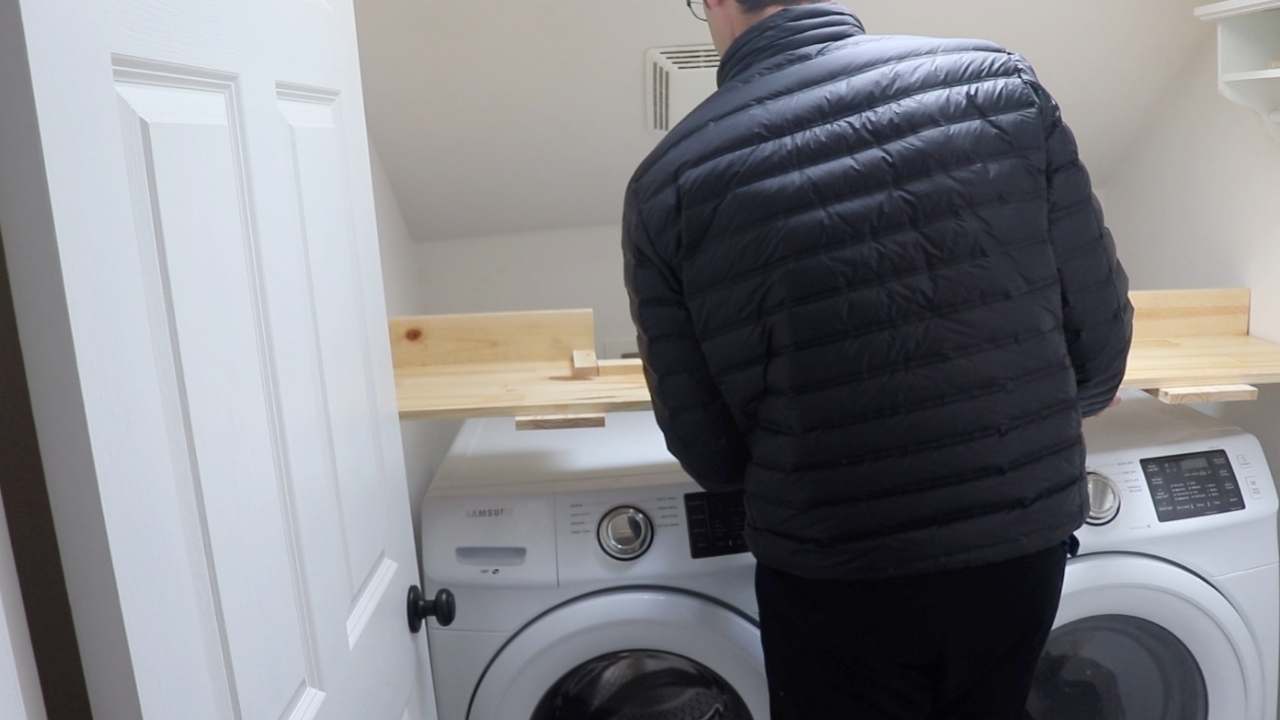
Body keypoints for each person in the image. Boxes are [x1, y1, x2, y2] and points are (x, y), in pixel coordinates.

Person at [621, 1, 1134, 718]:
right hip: (1017, 543)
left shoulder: (666, 183)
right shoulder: (998, 83)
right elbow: (1101, 348)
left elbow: (711, 454)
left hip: (833, 568)